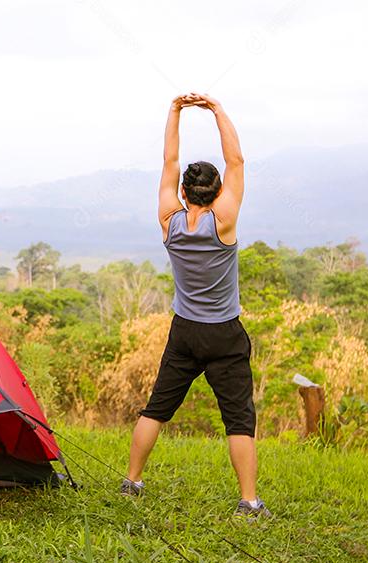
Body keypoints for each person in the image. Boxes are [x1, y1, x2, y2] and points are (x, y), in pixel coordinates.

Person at [121, 92, 270, 519]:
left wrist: (174, 111)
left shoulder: (169, 221)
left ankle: (132, 481)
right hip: (224, 333)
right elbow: (237, 163)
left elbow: (169, 164)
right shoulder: (223, 221)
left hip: (184, 330)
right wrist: (218, 111)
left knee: (157, 408)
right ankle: (249, 501)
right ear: (218, 192)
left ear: (184, 193)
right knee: (239, 420)